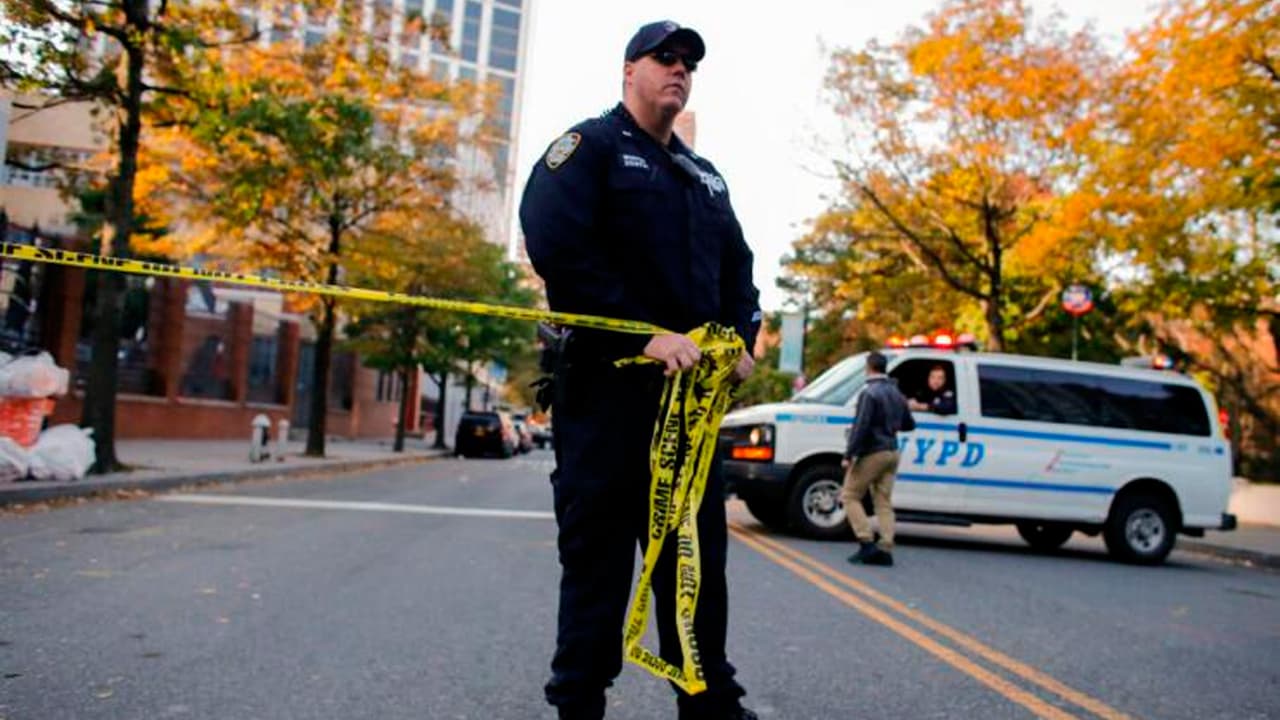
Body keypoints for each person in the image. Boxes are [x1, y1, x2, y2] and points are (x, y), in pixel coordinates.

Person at [519, 20, 761, 720]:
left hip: (689, 409)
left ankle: (706, 699)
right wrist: (644, 331)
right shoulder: (588, 150)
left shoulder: (703, 176)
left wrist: (743, 338)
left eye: (688, 62)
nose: (678, 70)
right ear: (630, 71)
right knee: (598, 564)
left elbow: (740, 272)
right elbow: (556, 244)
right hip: (607, 397)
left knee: (693, 567)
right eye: (665, 58)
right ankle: (578, 702)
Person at [841, 351, 916, 567]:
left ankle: (866, 542)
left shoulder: (869, 393)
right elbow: (909, 424)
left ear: (869, 367)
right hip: (893, 450)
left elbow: (861, 426)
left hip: (873, 451)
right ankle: (886, 547)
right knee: (883, 501)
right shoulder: (896, 393)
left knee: (850, 495)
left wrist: (849, 454)